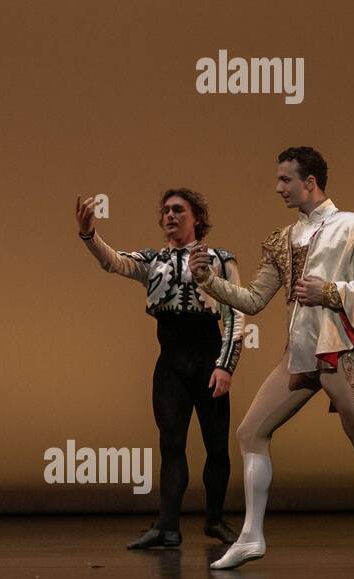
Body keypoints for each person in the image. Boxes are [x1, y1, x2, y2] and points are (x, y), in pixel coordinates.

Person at [189, 147, 354, 570]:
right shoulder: (283, 240)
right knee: (250, 433)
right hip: (298, 354)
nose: (278, 187)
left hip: (337, 351)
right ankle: (251, 536)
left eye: (286, 179)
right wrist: (208, 280)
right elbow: (251, 299)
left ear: (311, 182)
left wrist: (332, 291)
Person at [77, 189, 244, 549]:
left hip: (207, 361)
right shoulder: (154, 260)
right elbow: (115, 261)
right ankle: (168, 525)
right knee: (171, 446)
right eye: (165, 210)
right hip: (170, 365)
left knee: (217, 447)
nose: (169, 215)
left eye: (178, 210)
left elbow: (234, 315)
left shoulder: (220, 259)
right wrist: (90, 235)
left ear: (197, 217)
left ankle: (214, 520)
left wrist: (225, 366)